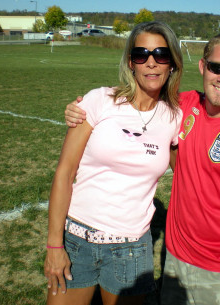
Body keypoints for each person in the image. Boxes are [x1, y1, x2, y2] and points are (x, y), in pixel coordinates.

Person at [64, 31, 220, 305]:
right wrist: (81, 109)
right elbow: (140, 99)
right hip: (175, 259)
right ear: (203, 67)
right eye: (216, 67)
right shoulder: (183, 105)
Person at [44, 21, 183, 305]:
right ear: (131, 63)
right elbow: (64, 173)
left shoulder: (174, 117)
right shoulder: (99, 101)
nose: (152, 63)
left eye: (161, 54)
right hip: (76, 241)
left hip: (131, 249)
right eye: (141, 54)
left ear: (173, 64)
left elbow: (188, 172)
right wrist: (54, 244)